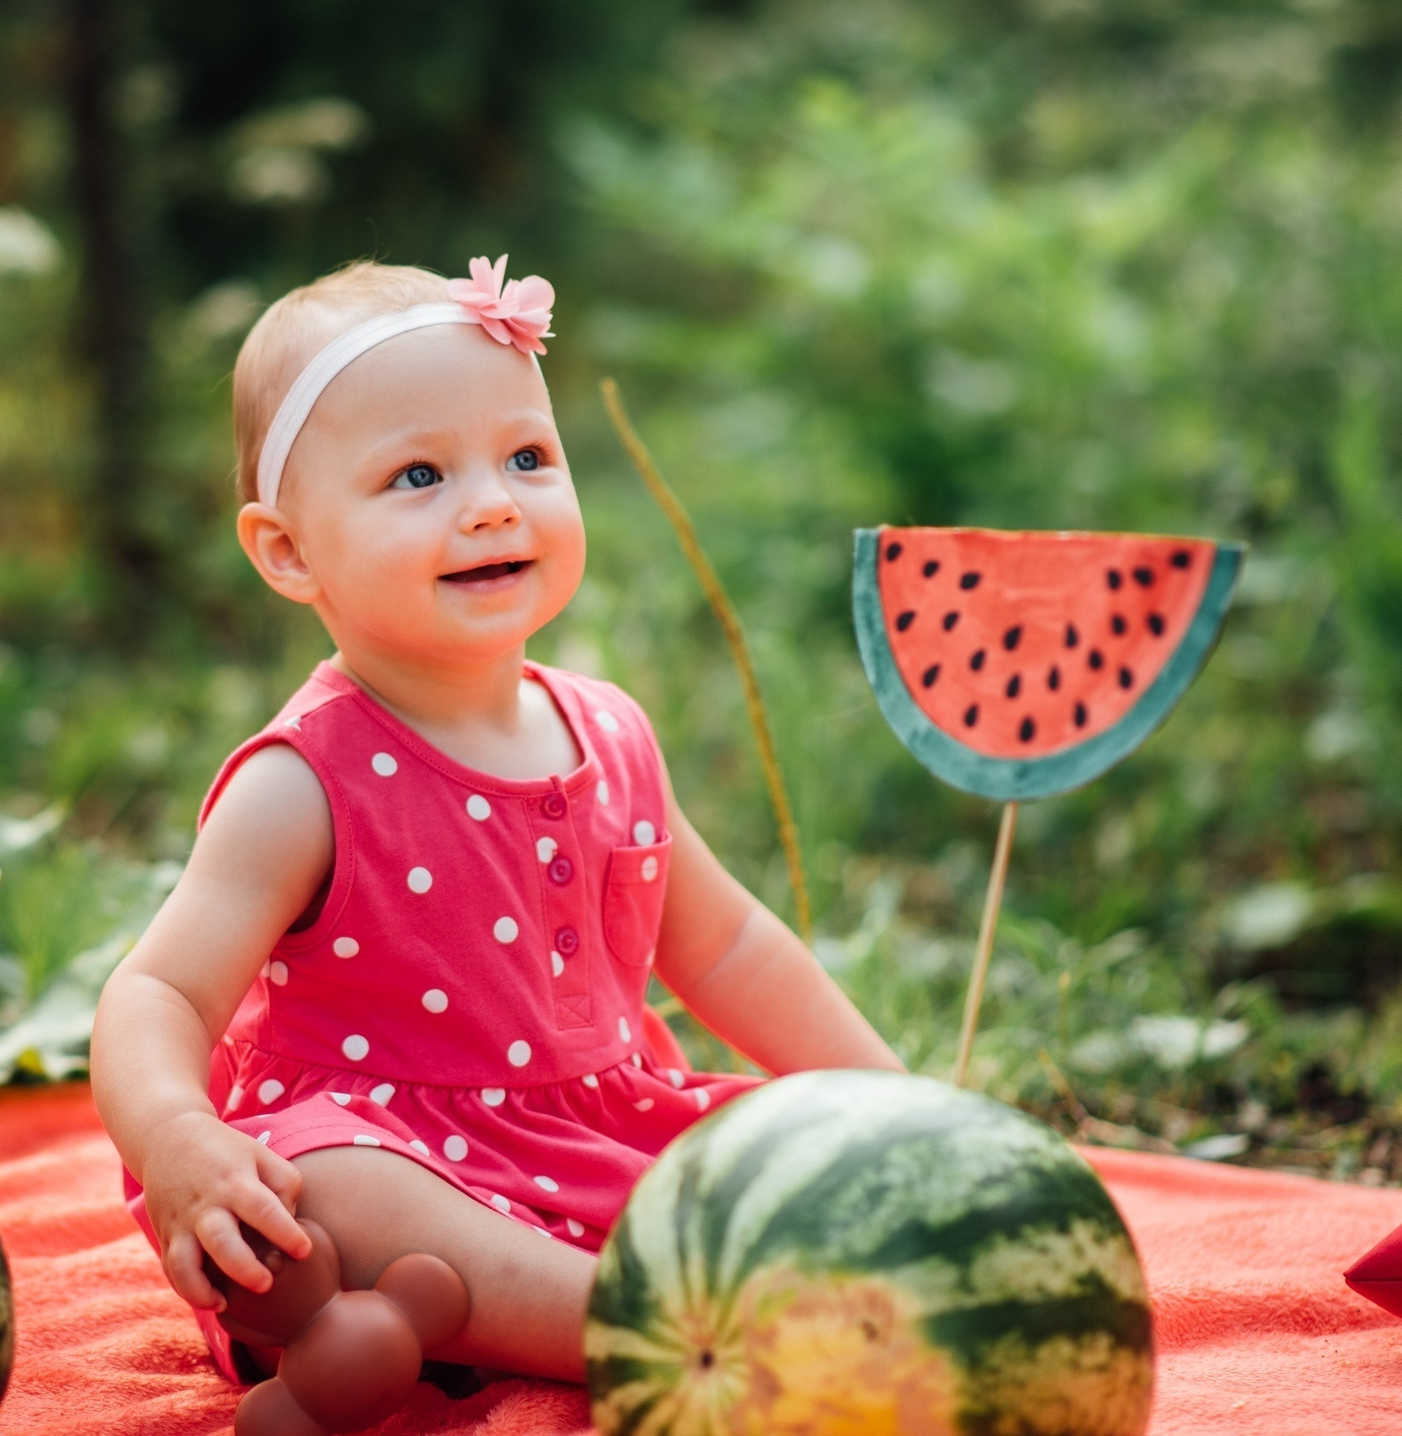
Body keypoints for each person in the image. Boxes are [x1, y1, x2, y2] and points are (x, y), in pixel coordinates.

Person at [92, 258, 901, 1435]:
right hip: (398, 1152)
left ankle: (645, 1296)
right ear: (286, 551)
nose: (491, 502)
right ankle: (639, 1323)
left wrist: (890, 1105)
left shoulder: (609, 730)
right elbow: (158, 986)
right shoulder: (302, 778)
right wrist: (178, 1137)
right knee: (331, 1192)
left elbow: (726, 947)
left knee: (786, 1147)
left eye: (527, 456)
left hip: (593, 1139)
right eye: (418, 473)